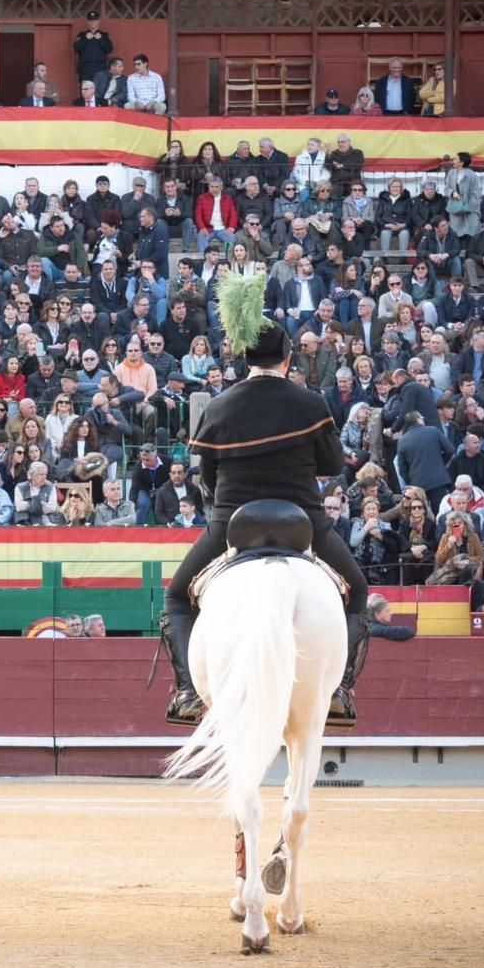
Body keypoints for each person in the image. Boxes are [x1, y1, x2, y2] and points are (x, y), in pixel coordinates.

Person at [163, 269, 369, 731]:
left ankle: (189, 692)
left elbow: (209, 477)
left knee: (177, 599)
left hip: (233, 523)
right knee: (357, 594)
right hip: (305, 523)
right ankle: (338, 691)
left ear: (242, 356)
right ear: (288, 356)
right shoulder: (311, 402)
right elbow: (333, 465)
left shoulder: (218, 407)